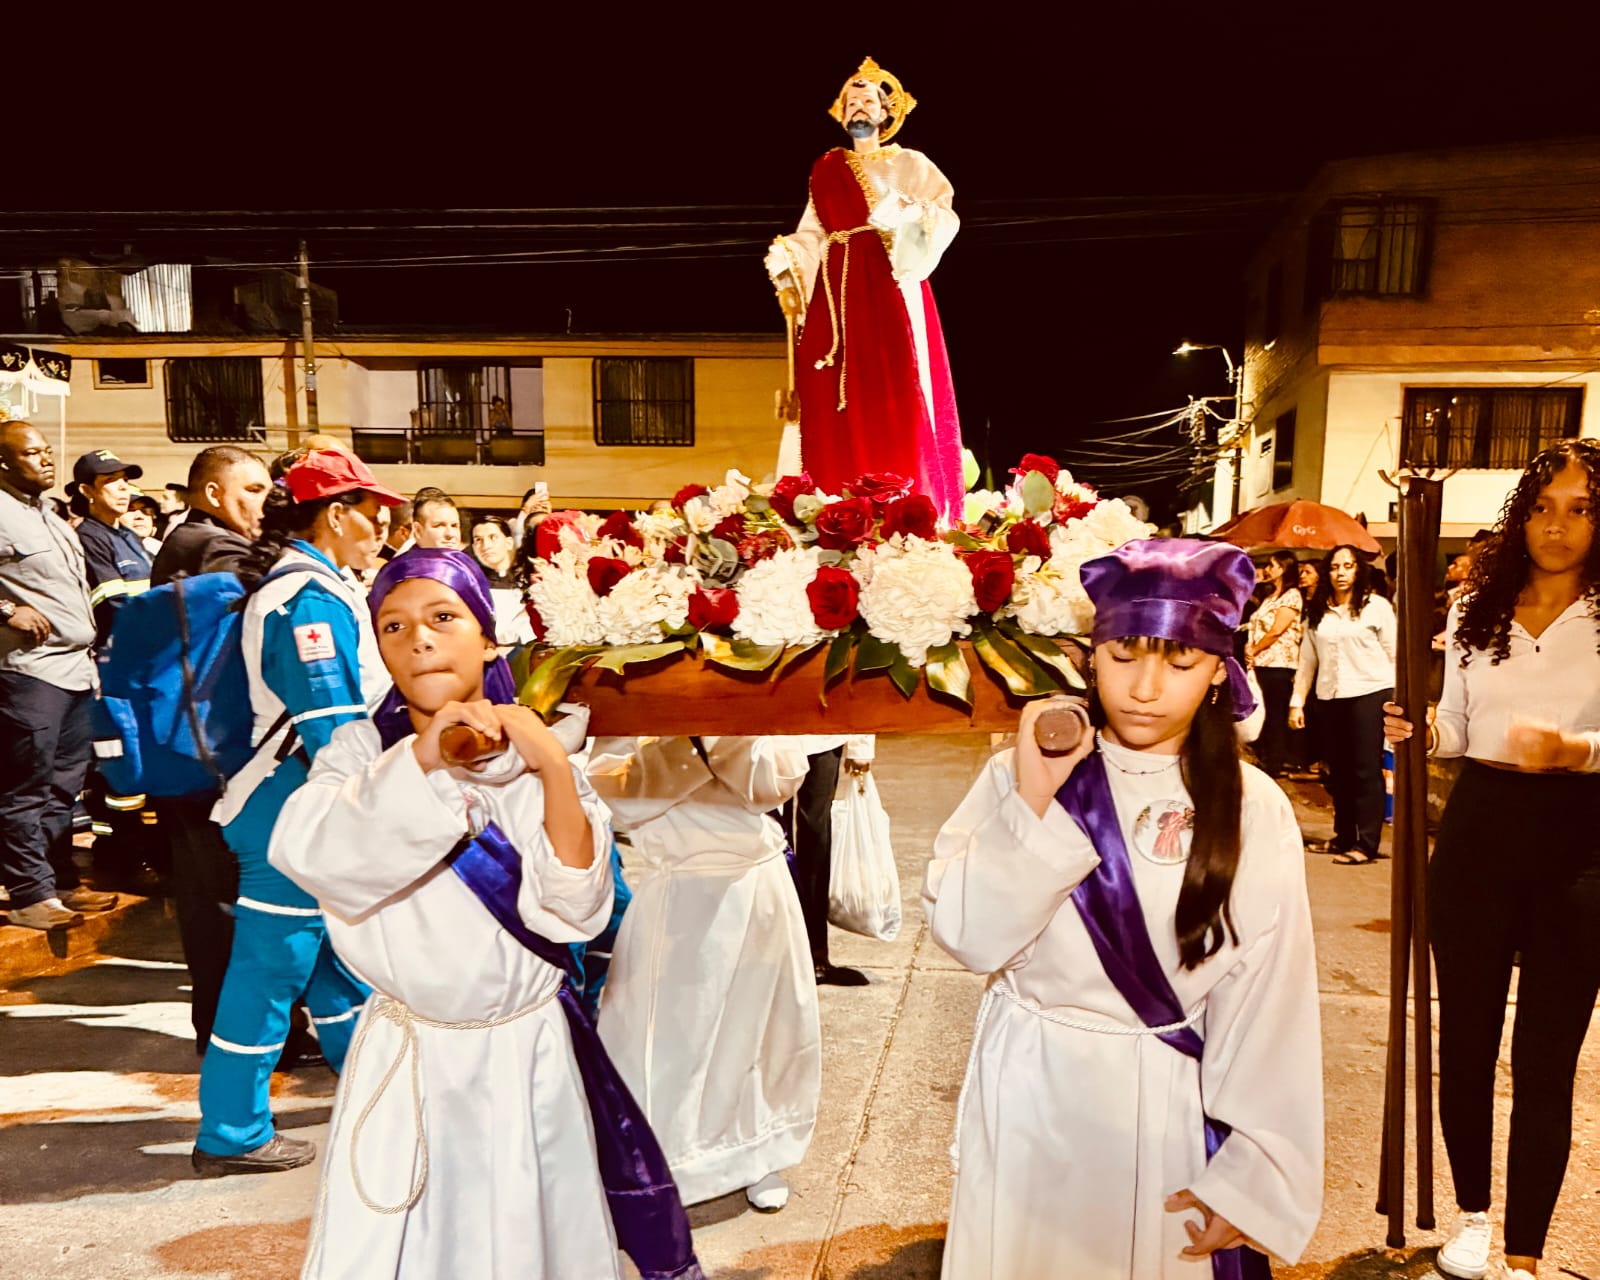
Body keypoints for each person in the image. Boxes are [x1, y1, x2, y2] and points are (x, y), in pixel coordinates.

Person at [270, 548, 699, 1280]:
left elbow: (575, 912)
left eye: (443, 617)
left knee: (533, 1236)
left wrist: (555, 769)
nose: (419, 639)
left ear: (488, 637)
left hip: (525, 1051)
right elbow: (310, 852)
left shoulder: (540, 748)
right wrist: (426, 761)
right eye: (394, 626)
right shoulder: (358, 752)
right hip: (414, 1053)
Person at [925, 538, 1323, 1279]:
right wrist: (1035, 797)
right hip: (1029, 1086)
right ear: (1088, 657)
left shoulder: (1250, 805)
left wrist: (1253, 1172)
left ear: (1217, 673)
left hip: (1158, 1102)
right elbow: (972, 937)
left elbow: (1273, 1000)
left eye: (1179, 663)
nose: (1145, 688)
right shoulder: (1020, 775)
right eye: (1122, 657)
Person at [1385, 441, 1600, 1280]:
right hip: (1479, 829)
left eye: (1582, 508)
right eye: (1544, 506)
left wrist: (1575, 750)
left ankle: (1525, 1253)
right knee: (1466, 1040)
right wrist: (1417, 732)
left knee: (1548, 1056)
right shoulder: (1476, 608)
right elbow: (1459, 732)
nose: (1559, 526)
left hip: (1581, 840)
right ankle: (1472, 1217)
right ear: (1520, 515)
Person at [191, 448, 404, 1176]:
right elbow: (334, 726)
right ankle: (231, 1130)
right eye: (374, 515)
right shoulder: (307, 600)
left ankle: (373, 1084)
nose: (382, 528)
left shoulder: (313, 587)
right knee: (270, 968)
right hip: (292, 805)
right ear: (335, 515)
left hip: (292, 801)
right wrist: (377, 812)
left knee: (330, 963)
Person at [589, 734, 821, 1212]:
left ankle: (757, 1151)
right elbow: (619, 795)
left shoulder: (750, 683)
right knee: (665, 1039)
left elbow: (773, 785)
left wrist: (717, 733)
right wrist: (693, 747)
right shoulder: (637, 684)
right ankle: (664, 1161)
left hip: (756, 881)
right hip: (677, 888)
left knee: (759, 1031)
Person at [764, 57, 964, 521]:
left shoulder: (911, 164)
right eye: (851, 102)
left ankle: (907, 502)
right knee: (830, 393)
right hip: (835, 296)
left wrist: (904, 214)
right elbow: (813, 233)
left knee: (897, 386)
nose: (858, 109)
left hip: (888, 283)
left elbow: (943, 214)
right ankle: (832, 504)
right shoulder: (827, 168)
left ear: (885, 111)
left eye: (868, 101)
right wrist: (789, 257)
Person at [146, 445, 274, 1053]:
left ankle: (219, 1029)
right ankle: (235, 1035)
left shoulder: (185, 542)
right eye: (252, 490)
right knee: (228, 898)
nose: (264, 503)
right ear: (215, 493)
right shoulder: (213, 547)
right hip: (212, 755)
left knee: (206, 895)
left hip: (184, 750)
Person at [0, 422, 120, 930]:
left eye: (48, 451)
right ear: (4, 463)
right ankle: (29, 894)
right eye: (32, 453)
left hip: (74, 667)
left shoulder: (49, 514)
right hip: (29, 671)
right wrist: (6, 609)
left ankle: (58, 882)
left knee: (64, 785)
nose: (46, 460)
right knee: (25, 785)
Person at [1290, 545, 1396, 864]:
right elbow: (1307, 660)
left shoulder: (1375, 606)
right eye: (1335, 567)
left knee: (1365, 770)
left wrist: (1399, 700)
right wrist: (1297, 701)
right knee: (1337, 773)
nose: (1341, 573)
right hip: (1330, 696)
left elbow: (1395, 653)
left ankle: (1366, 843)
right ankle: (1343, 837)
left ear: (1358, 570)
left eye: (1348, 566)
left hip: (1370, 692)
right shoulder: (1317, 610)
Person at [786, 735, 875, 985]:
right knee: (774, 838)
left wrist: (861, 744)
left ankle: (816, 956)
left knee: (816, 834)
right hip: (770, 732)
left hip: (822, 735)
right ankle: (779, 954)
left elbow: (855, 694)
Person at [150, 446, 271, 584]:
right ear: (214, 494)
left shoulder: (194, 535)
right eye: (254, 490)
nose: (269, 502)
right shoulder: (217, 546)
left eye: (270, 493)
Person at [71, 449, 151, 649]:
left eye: (124, 479)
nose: (124, 487)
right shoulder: (89, 537)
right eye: (110, 480)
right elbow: (113, 606)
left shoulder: (129, 535)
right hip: (120, 651)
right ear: (87, 490)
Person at [1244, 549, 1303, 778]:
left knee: (1275, 714)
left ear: (1283, 568)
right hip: (1262, 662)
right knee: (1264, 711)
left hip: (1279, 663)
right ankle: (1266, 756)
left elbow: (1277, 629)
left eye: (1272, 565)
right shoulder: (1271, 596)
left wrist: (1256, 648)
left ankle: (1274, 761)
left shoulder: (1292, 596)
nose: (1268, 570)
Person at [470, 514, 534, 650]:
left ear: (509, 543)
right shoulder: (470, 584)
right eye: (478, 540)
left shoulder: (529, 579)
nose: (485, 546)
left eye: (493, 537)